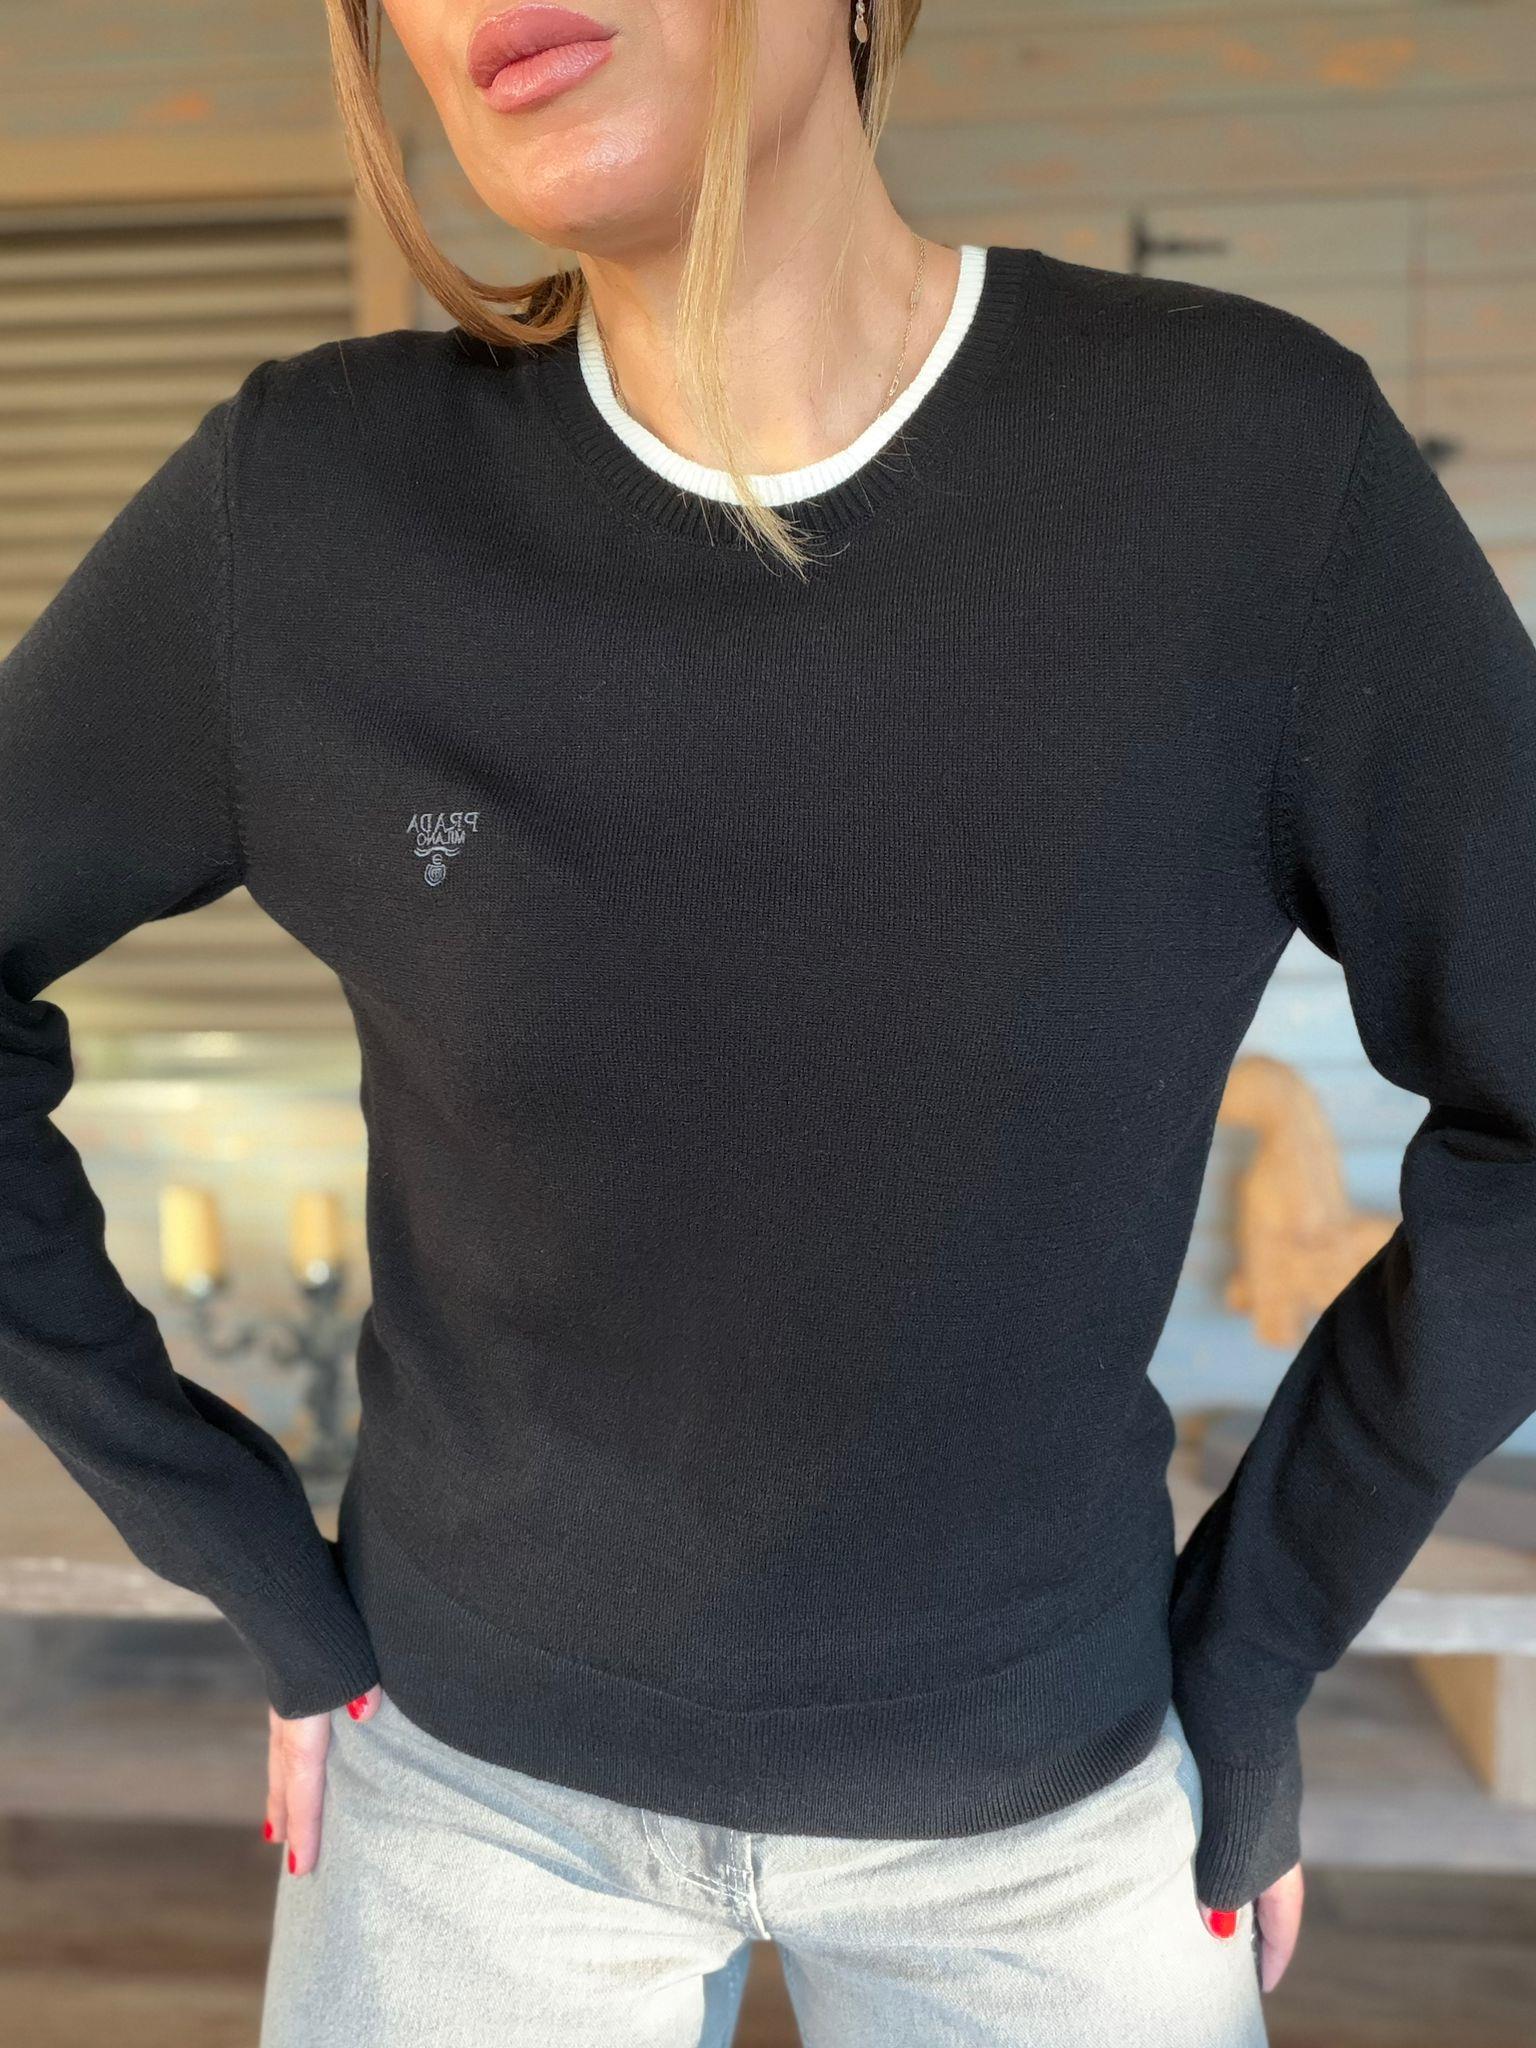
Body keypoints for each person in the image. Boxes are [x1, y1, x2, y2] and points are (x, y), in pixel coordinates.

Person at [2, 0, 1533, 2041]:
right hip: (463, 1806)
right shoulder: (305, 505)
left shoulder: (1258, 471)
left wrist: (1257, 1650)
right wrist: (239, 1554)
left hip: (1053, 1816)